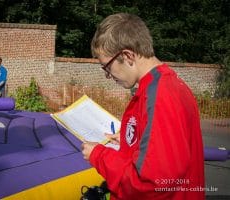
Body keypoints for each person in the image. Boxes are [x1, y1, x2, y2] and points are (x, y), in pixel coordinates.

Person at [81, 13, 205, 200]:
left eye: (107, 67)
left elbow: (151, 182)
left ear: (128, 55)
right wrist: (130, 140)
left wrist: (98, 155)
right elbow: (167, 152)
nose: (108, 75)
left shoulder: (159, 96)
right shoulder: (168, 85)